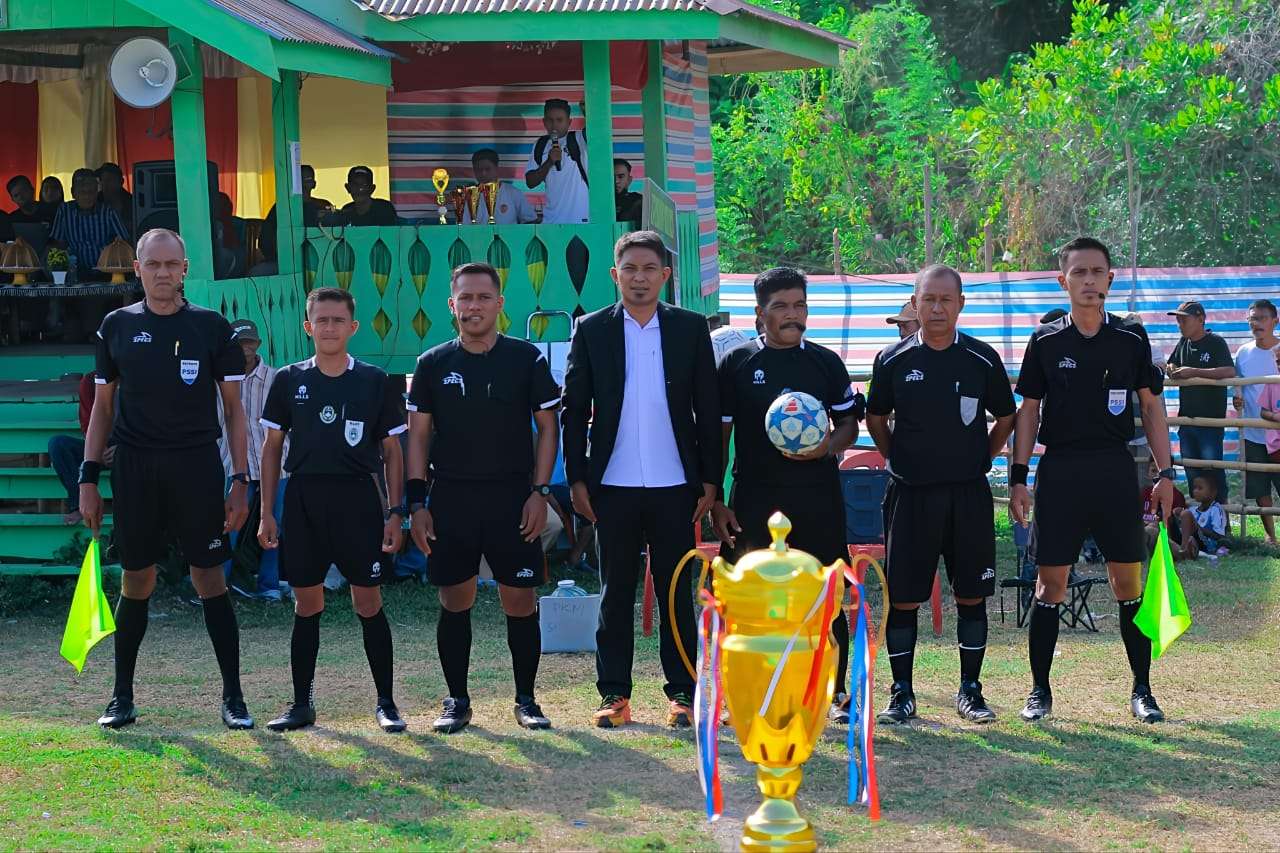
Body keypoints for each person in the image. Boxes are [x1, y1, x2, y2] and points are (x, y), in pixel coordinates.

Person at [79, 227, 253, 730]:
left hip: (197, 464)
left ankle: (234, 698)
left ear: (184, 269)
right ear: (137, 269)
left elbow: (234, 410)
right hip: (135, 467)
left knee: (209, 577)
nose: (161, 273)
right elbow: (103, 410)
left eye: (169, 264)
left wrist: (240, 479)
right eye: (150, 264)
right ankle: (121, 698)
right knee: (138, 579)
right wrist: (88, 478)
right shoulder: (114, 327)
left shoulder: (211, 327)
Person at [1009, 236, 1176, 724]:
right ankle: (1039, 691)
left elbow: (1151, 406)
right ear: (1063, 281)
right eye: (1078, 272)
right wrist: (1019, 477)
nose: (1088, 281)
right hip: (1060, 470)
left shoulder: (1131, 338)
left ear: (1110, 278)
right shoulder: (1044, 341)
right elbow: (1028, 412)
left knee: (1129, 585)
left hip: (1114, 470)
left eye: (1096, 272)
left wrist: (1166, 473)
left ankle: (1142, 691)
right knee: (1049, 587)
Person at [562, 230, 721, 728]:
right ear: (615, 274)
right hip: (612, 483)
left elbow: (708, 409)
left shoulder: (690, 328)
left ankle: (682, 693)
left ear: (665, 276)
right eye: (629, 269)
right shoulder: (591, 330)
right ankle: (614, 694)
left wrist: (711, 481)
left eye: (649, 269)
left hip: (677, 483)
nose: (639, 278)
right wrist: (577, 480)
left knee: (676, 588)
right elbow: (573, 410)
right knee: (616, 590)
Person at [406, 262, 561, 733]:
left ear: (499, 304)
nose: (473, 306)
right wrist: (416, 504)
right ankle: (456, 700)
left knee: (520, 598)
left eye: (482, 298)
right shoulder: (432, 363)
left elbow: (548, 427)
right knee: (456, 599)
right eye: (464, 299)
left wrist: (540, 492)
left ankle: (527, 700)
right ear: (451, 306)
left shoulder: (526, 359)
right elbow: (416, 438)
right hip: (451, 496)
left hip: (513, 497)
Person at [712, 267, 864, 724]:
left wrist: (826, 447)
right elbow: (720, 437)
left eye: (799, 305)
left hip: (817, 495)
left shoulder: (824, 363)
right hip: (755, 497)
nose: (792, 315)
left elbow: (848, 426)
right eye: (780, 307)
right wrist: (718, 499)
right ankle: (744, 689)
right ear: (760, 314)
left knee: (825, 593)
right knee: (748, 597)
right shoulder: (737, 364)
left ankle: (835, 693)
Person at [865, 264, 1016, 724]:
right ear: (914, 302)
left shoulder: (982, 359)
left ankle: (971, 691)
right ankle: (901, 692)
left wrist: (982, 460)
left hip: (968, 495)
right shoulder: (892, 360)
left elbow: (1005, 419)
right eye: (927, 299)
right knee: (905, 596)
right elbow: (876, 420)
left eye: (945, 300)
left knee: (972, 595)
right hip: (910, 495)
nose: (935, 308)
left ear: (960, 305)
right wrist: (900, 462)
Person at [256, 287, 407, 733]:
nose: (329, 327)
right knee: (307, 604)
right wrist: (267, 511)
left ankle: (386, 703)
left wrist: (395, 510)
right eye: (320, 320)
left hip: (357, 500)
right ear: (308, 326)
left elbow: (393, 452)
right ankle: (302, 703)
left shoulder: (374, 380)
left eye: (338, 320)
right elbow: (271, 448)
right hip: (303, 499)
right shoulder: (288, 379)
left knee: (368, 601)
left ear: (352, 327)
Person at [217, 320, 286, 601]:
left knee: (274, 524)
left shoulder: (276, 378)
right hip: (233, 463)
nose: (245, 349)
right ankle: (218, 585)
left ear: (258, 344)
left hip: (274, 462)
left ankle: (269, 585)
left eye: (250, 343)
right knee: (227, 525)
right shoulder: (218, 378)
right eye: (239, 343)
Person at [1165, 301, 1234, 505]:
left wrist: (1193, 372)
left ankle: (1221, 520)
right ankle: (1198, 521)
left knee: (1212, 471)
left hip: (1210, 423)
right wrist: (1171, 368)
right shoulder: (1183, 342)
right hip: (1187, 421)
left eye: (1183, 319)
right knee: (1192, 472)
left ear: (1201, 319)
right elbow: (1172, 361)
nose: (1179, 323)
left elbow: (1229, 371)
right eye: (1178, 319)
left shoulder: (1216, 342)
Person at [1233, 299, 1280, 544]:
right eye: (1252, 318)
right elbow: (1238, 385)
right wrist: (1237, 398)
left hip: (1278, 432)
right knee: (1260, 488)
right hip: (1254, 430)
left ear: (1275, 320)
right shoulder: (1243, 352)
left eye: (1262, 318)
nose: (1256, 323)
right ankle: (1270, 537)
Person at [47, 371, 114, 526]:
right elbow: (87, 423)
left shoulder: (138, 376)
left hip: (131, 447)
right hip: (98, 445)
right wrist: (99, 449)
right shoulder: (91, 380)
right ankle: (77, 505)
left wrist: (122, 448)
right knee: (58, 444)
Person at [50, 168, 130, 280]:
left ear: (97, 192)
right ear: (73, 193)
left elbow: (124, 242)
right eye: (82, 192)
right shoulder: (64, 210)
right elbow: (59, 244)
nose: (87, 196)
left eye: (91, 192)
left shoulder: (108, 211)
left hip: (106, 271)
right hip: (75, 272)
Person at [525, 99, 589, 225]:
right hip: (551, 222)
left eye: (559, 120)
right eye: (550, 120)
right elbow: (530, 182)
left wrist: (587, 111)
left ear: (569, 122)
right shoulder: (540, 144)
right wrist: (549, 162)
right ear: (544, 122)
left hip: (580, 220)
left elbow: (597, 128)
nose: (554, 125)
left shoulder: (579, 139)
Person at [259, 164, 335, 264]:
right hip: (284, 262)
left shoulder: (323, 206)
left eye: (307, 180)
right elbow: (265, 240)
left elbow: (332, 237)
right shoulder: (281, 207)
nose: (302, 185)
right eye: (298, 180)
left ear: (314, 184)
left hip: (319, 262)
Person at [463, 149, 537, 225]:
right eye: (479, 169)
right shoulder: (469, 197)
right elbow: (464, 228)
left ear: (496, 168)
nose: (483, 173)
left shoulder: (513, 193)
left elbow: (530, 220)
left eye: (488, 169)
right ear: (474, 171)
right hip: (479, 237)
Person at [1142, 457, 1186, 557]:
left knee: (1153, 528)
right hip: (1145, 532)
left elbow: (1177, 523)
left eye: (1162, 473)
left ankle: (1179, 552)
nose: (1157, 475)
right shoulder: (1144, 493)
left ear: (1171, 474)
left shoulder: (1176, 495)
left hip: (1165, 532)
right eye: (1153, 471)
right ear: (1148, 473)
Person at [1175, 476, 1227, 561]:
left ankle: (1184, 551)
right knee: (1174, 515)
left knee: (1186, 514)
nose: (1195, 491)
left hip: (1207, 545)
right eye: (1194, 488)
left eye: (1200, 488)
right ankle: (1177, 547)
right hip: (1193, 539)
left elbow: (1218, 536)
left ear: (1213, 492)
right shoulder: (1192, 509)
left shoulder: (1216, 510)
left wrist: (1197, 527)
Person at [332, 166, 398, 227]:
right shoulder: (346, 211)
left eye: (364, 185)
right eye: (355, 185)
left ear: (372, 188)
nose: (360, 189)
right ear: (348, 188)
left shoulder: (385, 209)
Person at [96, 162, 134, 237]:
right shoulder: (94, 201)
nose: (105, 184)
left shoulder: (133, 203)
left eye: (110, 180)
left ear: (121, 182)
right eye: (102, 180)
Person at [613, 159, 643, 227]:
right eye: (612, 177)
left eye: (620, 177)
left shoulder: (638, 201)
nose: (616, 181)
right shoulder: (597, 202)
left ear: (629, 180)